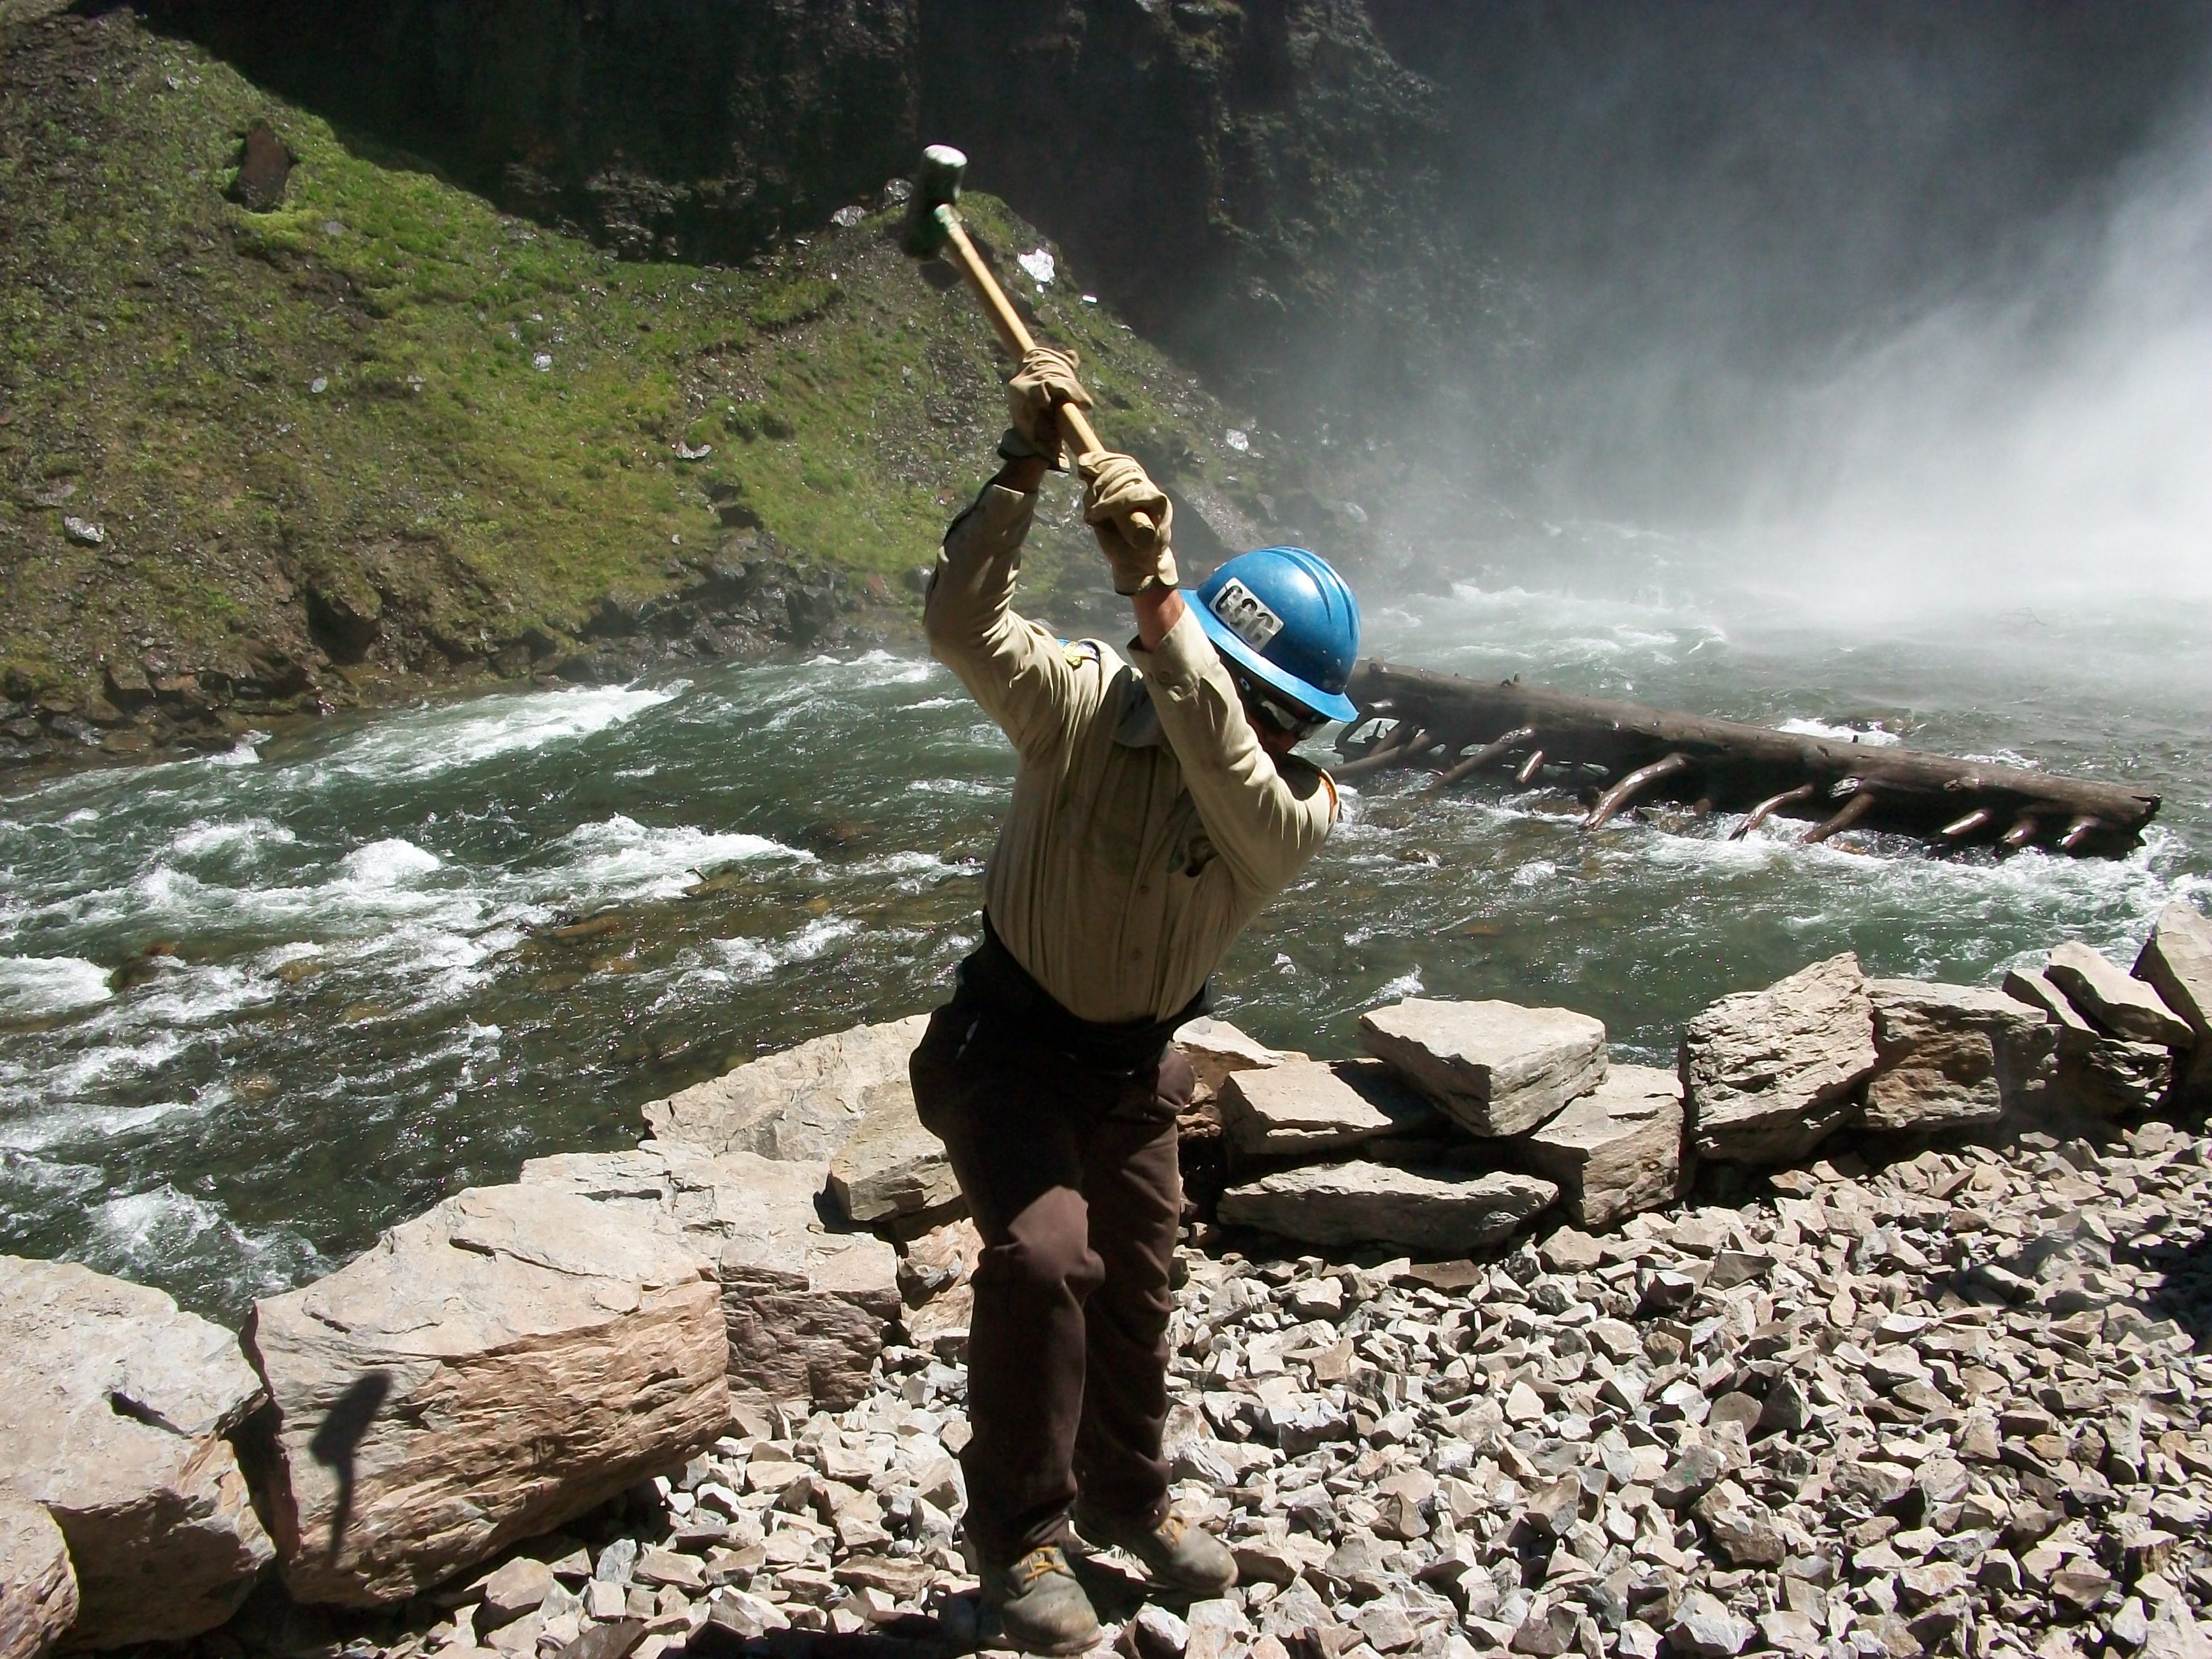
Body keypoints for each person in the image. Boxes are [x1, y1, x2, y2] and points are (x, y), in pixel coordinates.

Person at [912, 343, 1362, 1653]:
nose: (1265, 728)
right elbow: (958, 626)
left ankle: (1127, 1502)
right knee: (1048, 1261)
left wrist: (1164, 601)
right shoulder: (1076, 705)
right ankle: (1021, 1537)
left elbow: (1229, 771)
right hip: (1005, 1045)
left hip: (1132, 1070)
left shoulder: (1290, 808)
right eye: (1258, 697)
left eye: (1287, 715)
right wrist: (1020, 472)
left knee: (1139, 1282)